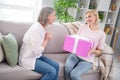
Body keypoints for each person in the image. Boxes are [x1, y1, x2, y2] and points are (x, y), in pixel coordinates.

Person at [19, 6, 59, 80]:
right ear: (47, 16)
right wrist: (46, 40)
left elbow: (36, 44)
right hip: (28, 58)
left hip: (36, 56)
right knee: (52, 71)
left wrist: (44, 38)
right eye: (54, 15)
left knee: (56, 65)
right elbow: (37, 51)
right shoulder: (36, 29)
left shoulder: (41, 27)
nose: (55, 18)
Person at [64, 10, 106, 80]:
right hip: (75, 55)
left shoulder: (102, 34)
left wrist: (93, 51)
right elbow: (77, 39)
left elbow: (100, 51)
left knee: (74, 74)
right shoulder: (83, 27)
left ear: (95, 16)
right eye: (86, 17)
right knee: (67, 68)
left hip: (87, 60)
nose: (87, 19)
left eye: (89, 16)